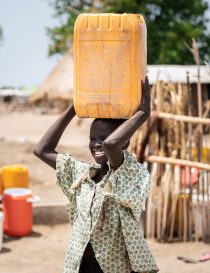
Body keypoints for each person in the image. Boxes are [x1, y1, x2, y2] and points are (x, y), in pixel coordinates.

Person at [33, 77, 158, 273]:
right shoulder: (82, 176)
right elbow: (41, 150)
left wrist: (142, 113)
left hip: (114, 268)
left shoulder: (129, 174)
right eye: (92, 139)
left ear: (124, 142)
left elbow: (111, 146)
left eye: (104, 137)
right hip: (81, 265)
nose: (97, 144)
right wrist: (73, 109)